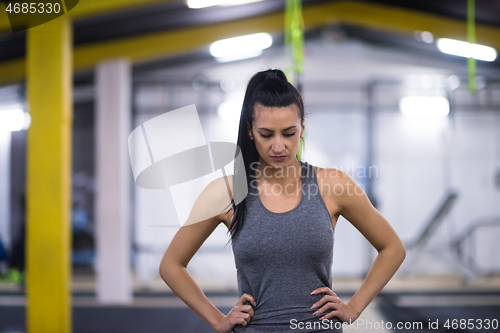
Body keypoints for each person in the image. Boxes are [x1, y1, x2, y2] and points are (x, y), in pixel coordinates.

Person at [159, 69, 406, 333]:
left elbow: (392, 248)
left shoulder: (333, 185)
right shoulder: (227, 192)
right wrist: (218, 319)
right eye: (267, 134)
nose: (279, 147)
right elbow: (171, 265)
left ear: (302, 129)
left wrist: (354, 307)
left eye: (288, 133)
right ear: (250, 131)